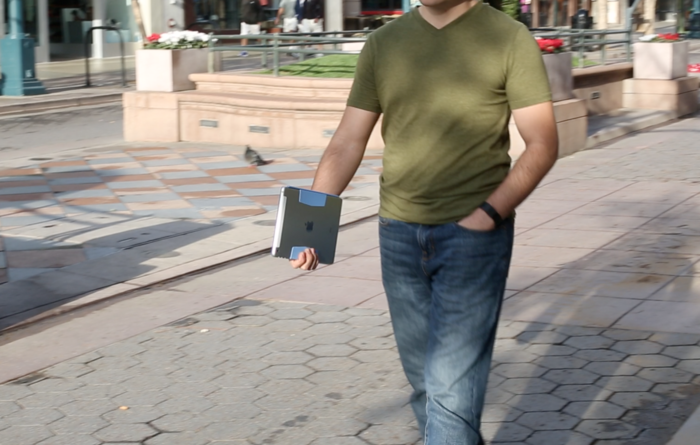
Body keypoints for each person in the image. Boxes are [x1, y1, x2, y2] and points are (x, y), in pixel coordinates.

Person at [289, 0, 558, 443]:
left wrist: (489, 214)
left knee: (450, 388)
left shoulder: (508, 38)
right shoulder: (383, 43)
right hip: (398, 232)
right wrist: (307, 226)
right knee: (427, 385)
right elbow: (347, 140)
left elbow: (543, 143)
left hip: (473, 238)